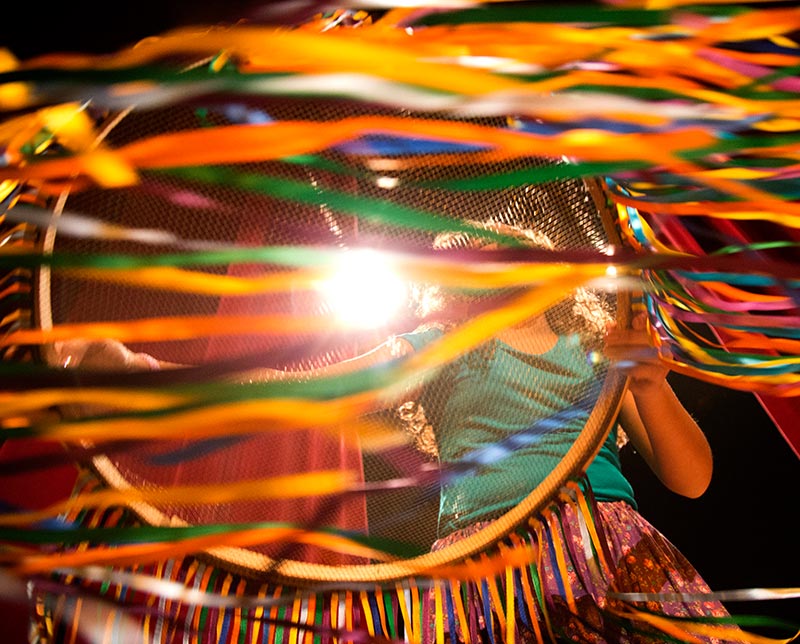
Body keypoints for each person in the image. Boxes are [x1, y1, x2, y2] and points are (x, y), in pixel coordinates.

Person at [53, 219, 735, 644]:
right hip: (488, 567)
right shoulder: (439, 345)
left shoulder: (597, 351)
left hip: (602, 542)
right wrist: (143, 375)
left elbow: (692, 479)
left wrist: (650, 385)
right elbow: (307, 392)